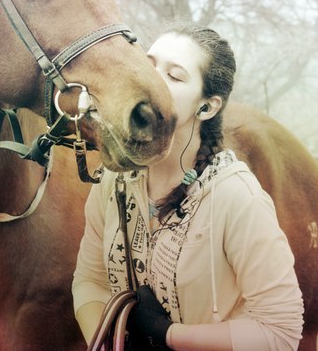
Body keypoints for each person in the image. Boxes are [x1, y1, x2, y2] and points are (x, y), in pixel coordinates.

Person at [72, 23, 304, 350]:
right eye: (149, 65)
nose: (151, 79)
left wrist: (168, 335)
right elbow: (90, 280)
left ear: (207, 107)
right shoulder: (113, 181)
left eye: (174, 75)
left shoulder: (237, 197)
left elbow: (280, 331)